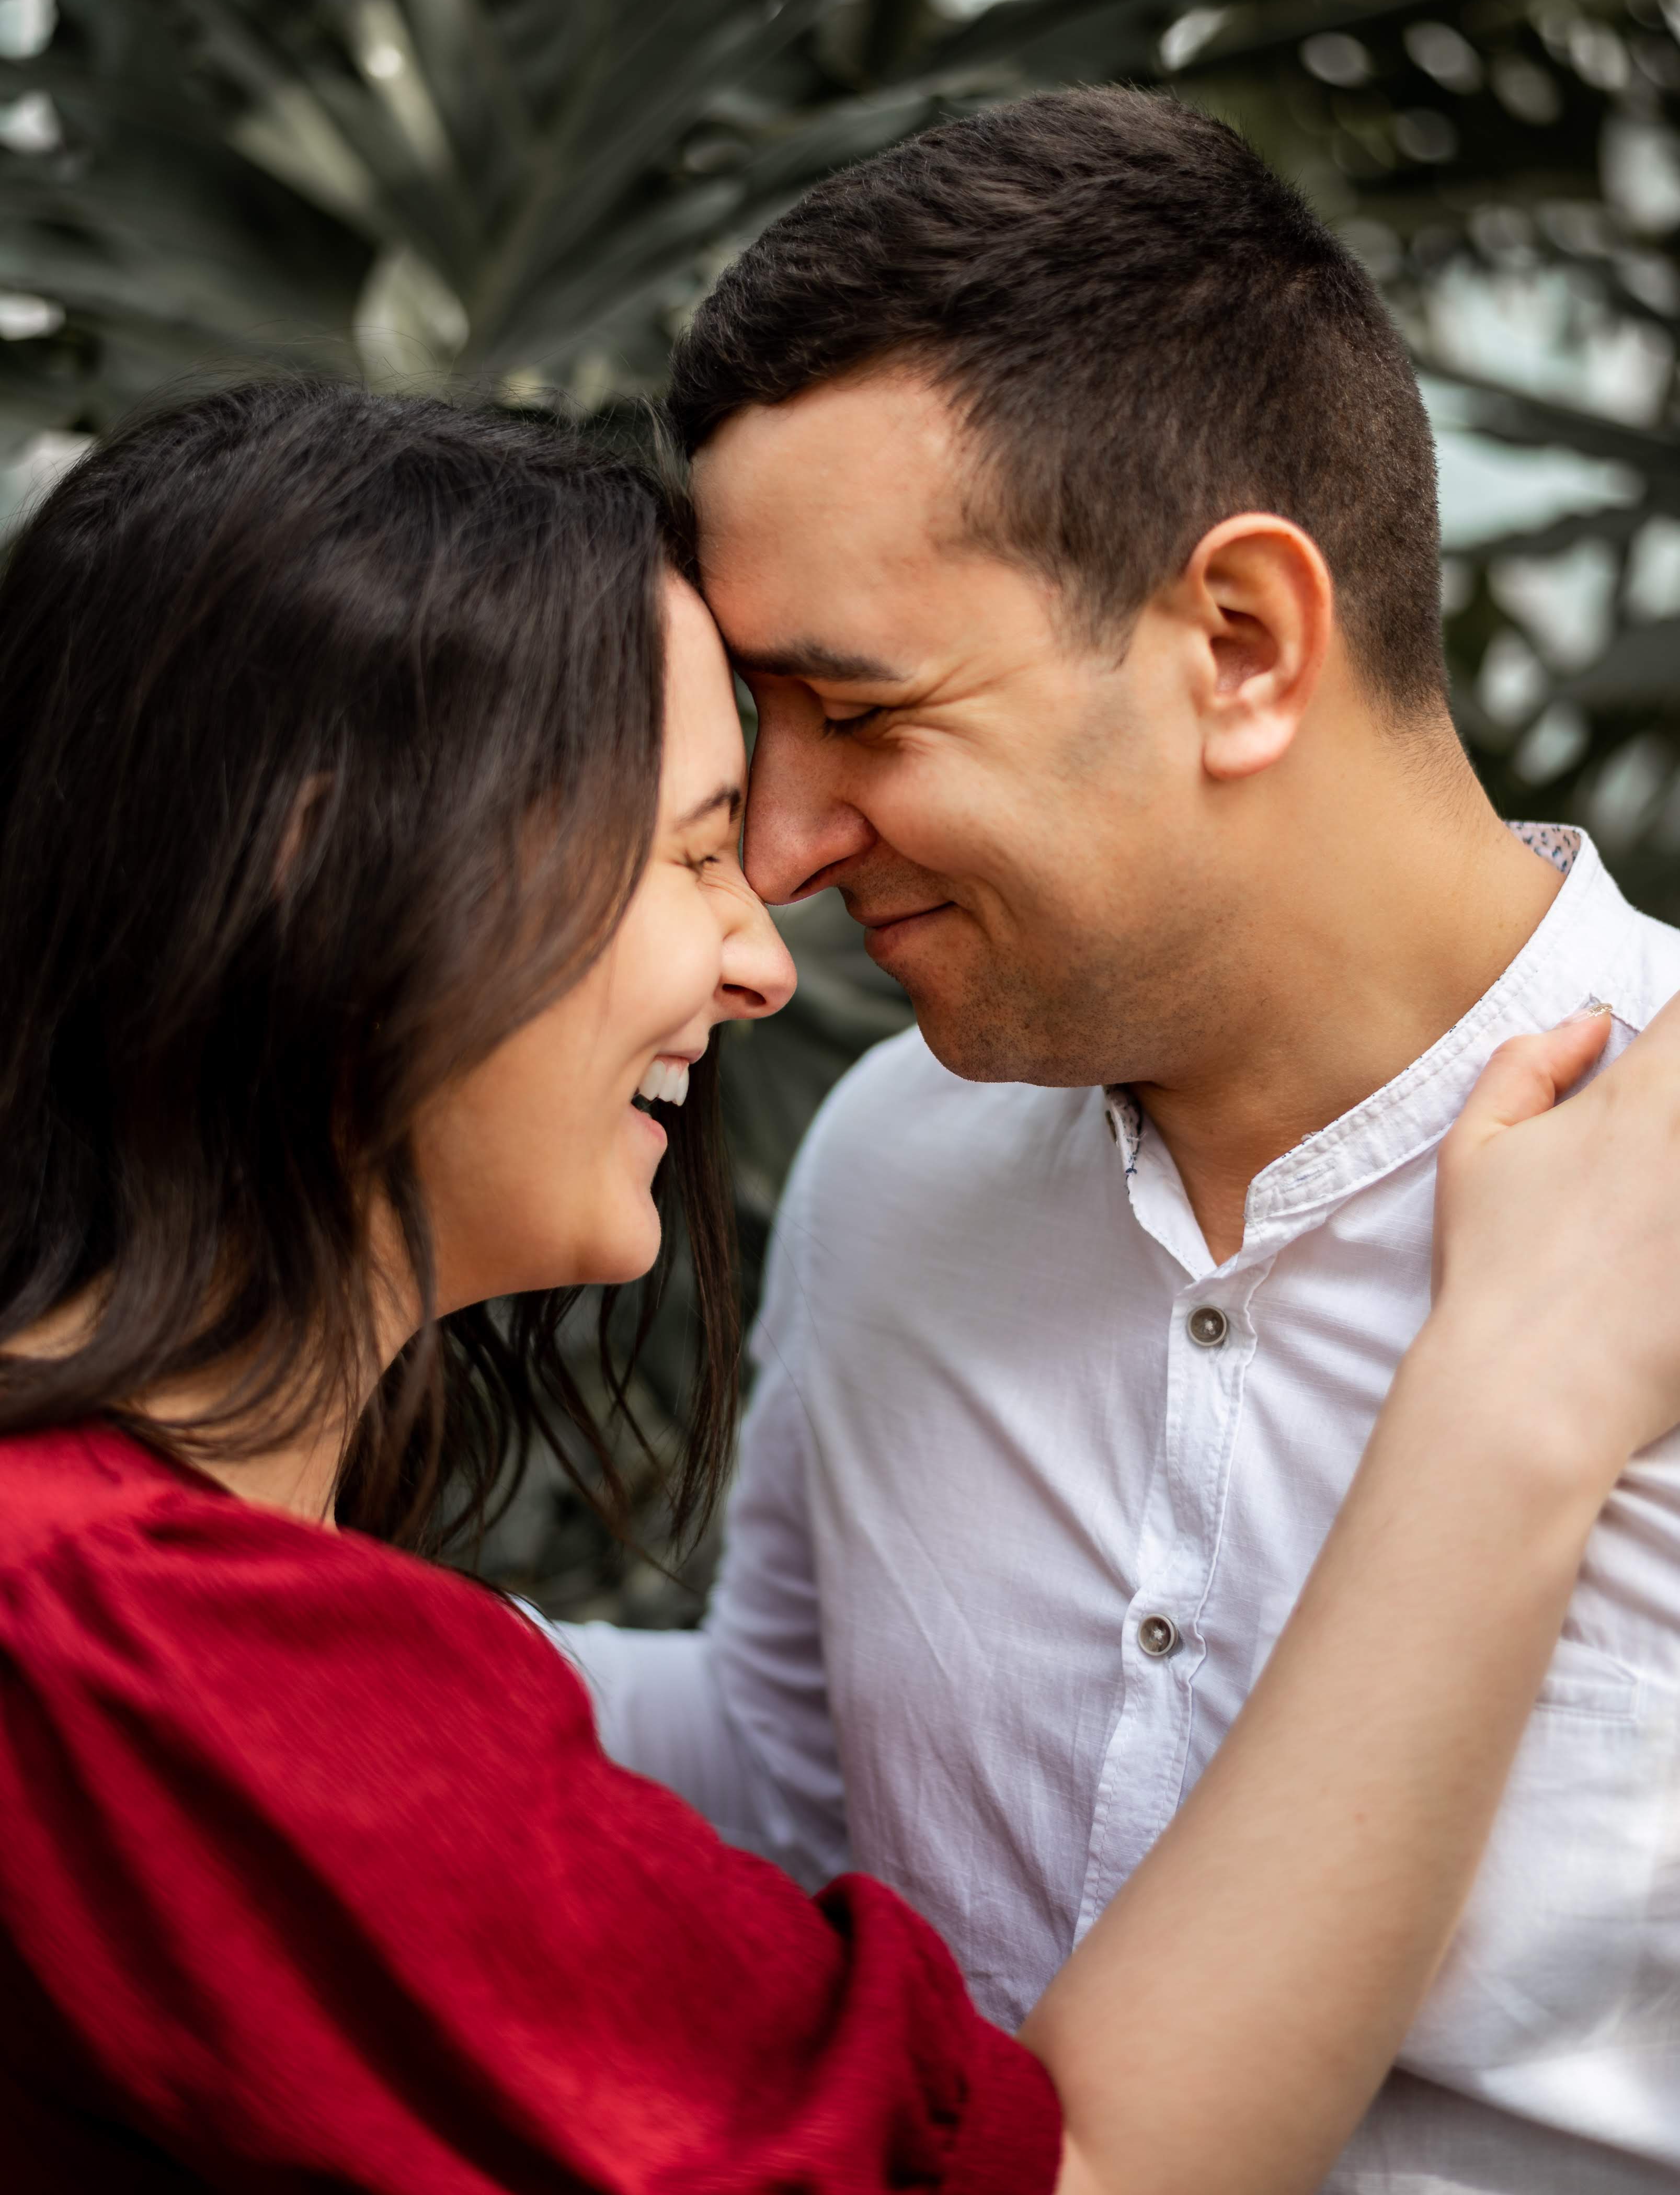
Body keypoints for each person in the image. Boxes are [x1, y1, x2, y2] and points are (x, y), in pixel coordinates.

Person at [0, 383, 1677, 2195]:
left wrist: (453, 1694)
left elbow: (757, 1782)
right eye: (697, 842)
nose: (773, 922)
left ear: (1243, 644)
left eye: (865, 713)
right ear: (329, 872)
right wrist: (1513, 1401)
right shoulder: (147, 1642)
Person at [554, 88, 1680, 2194]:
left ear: (1241, 646)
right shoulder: (894, 1161)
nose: (777, 850)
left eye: (863, 712)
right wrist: (200, 1628)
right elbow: (794, 1780)